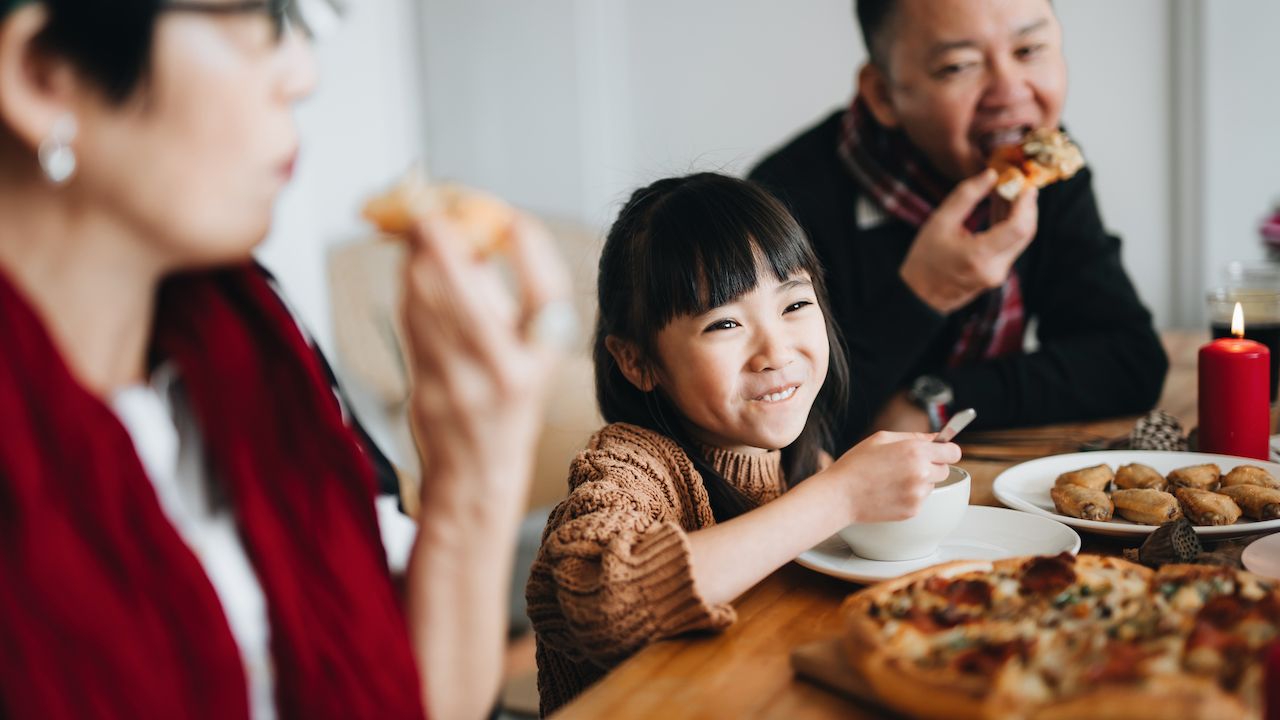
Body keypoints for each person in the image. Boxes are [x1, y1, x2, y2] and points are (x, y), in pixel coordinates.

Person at [0, 1, 568, 718]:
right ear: (43, 74)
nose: (302, 74)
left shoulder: (255, 349)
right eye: (258, 17)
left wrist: (475, 476)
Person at [524, 173, 960, 715]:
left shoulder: (803, 461)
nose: (775, 351)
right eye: (725, 323)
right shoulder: (634, 465)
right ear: (637, 361)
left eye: (794, 305)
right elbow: (607, 597)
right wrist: (839, 496)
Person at [749, 0, 1168, 449]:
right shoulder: (781, 204)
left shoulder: (1045, 169)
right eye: (959, 66)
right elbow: (778, 424)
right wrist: (924, 294)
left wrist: (936, 400)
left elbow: (1127, 361)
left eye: (1028, 50)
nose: (1009, 91)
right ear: (884, 95)